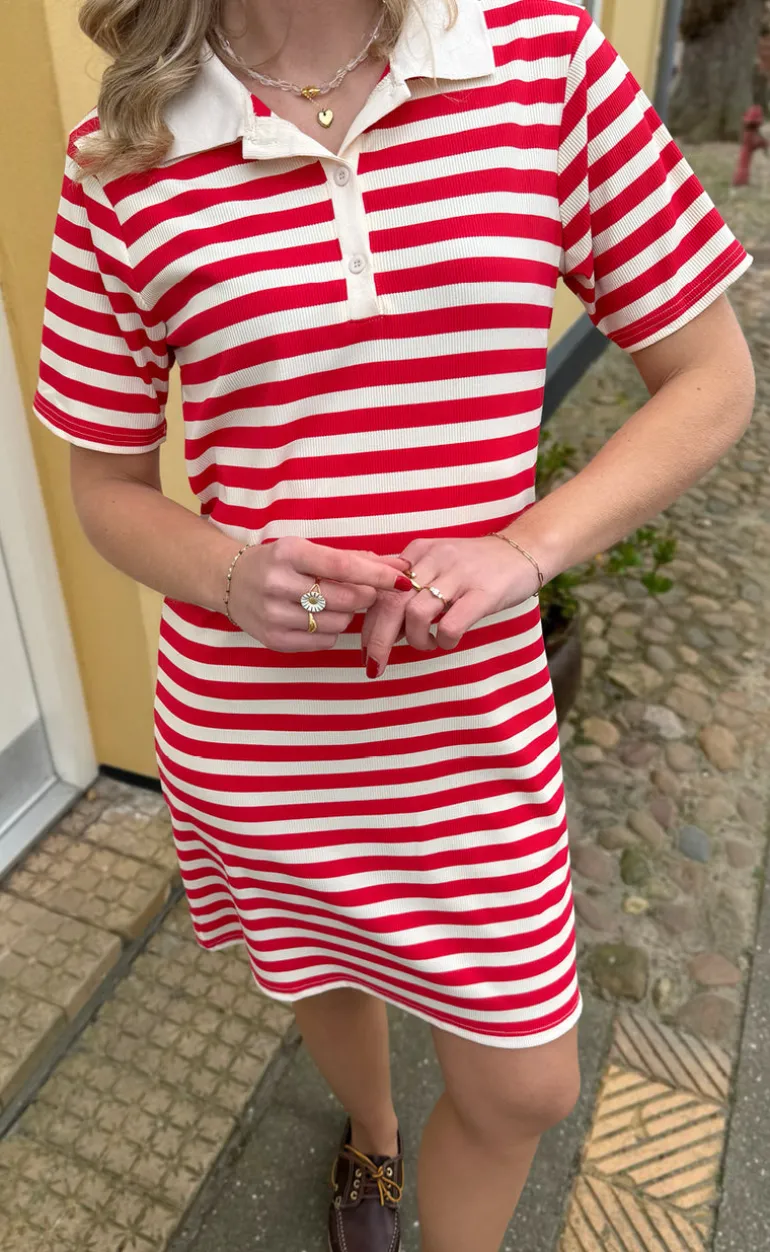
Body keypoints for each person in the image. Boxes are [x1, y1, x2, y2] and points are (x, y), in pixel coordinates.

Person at [33, 1, 755, 1249]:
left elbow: (709, 378)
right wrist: (228, 572)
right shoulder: (124, 147)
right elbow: (104, 489)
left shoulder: (539, 58)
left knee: (528, 1086)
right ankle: (371, 1132)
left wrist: (525, 546)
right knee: (320, 966)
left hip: (472, 723)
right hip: (259, 732)